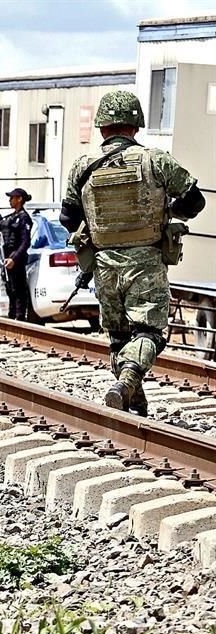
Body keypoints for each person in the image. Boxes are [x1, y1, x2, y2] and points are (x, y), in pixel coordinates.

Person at [61, 90, 205, 415]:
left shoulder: (82, 166)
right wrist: (171, 211)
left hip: (104, 263)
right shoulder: (156, 160)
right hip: (146, 262)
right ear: (136, 126)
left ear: (101, 128)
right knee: (150, 331)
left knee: (117, 336)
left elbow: (68, 217)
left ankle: (134, 401)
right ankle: (126, 383)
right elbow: (195, 201)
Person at [0, 188, 33, 320]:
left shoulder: (24, 218)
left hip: (16, 261)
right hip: (6, 259)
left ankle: (19, 318)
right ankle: (12, 316)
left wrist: (14, 258)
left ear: (19, 199)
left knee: (18, 291)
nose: (9, 200)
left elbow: (25, 242)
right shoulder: (11, 217)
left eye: (12, 197)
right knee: (10, 290)